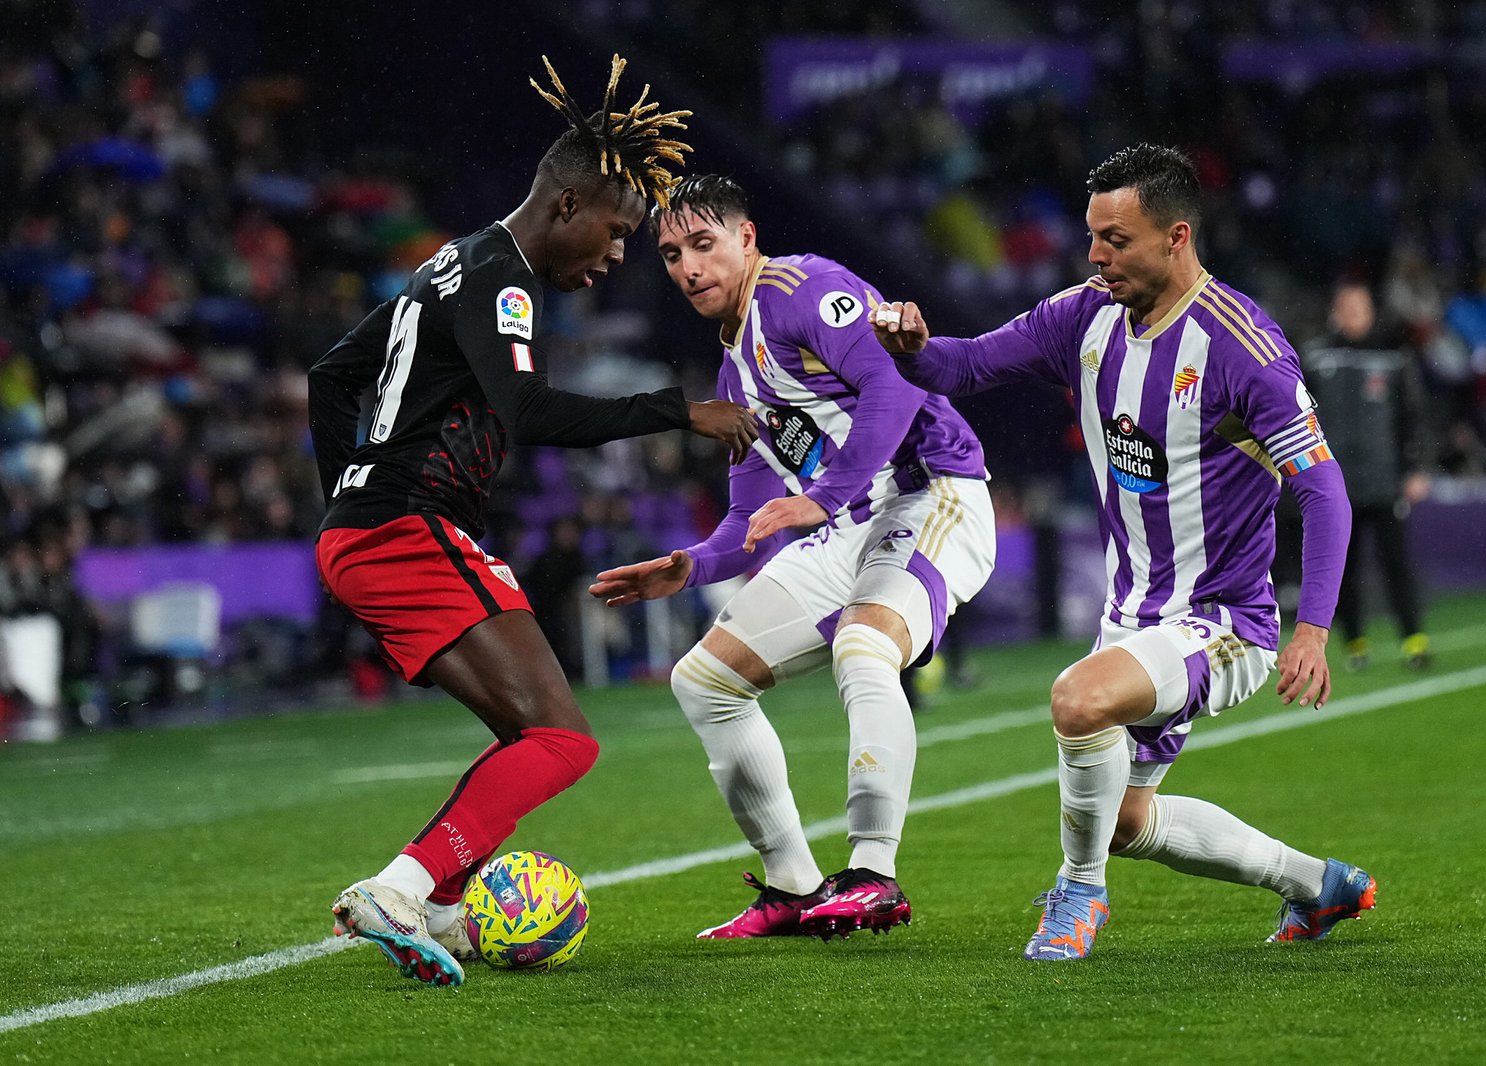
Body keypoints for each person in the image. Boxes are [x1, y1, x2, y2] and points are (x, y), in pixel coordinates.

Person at [308, 57, 758, 987]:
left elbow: (330, 378)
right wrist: (677, 407)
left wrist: (342, 501)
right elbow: (532, 416)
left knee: (530, 740)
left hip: (369, 530)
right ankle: (399, 889)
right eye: (620, 229)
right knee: (564, 740)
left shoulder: (450, 263)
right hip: (405, 525)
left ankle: (435, 906)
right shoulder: (503, 281)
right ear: (567, 208)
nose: (623, 253)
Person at [869, 145, 1375, 961]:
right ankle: (1319, 886)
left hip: (1225, 622)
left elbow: (1323, 490)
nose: (1097, 256)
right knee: (1129, 819)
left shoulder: (1244, 346)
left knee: (1076, 701)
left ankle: (1078, 892)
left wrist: (1312, 628)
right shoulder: (1084, 315)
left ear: (1177, 237)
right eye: (1093, 237)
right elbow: (961, 367)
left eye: (1118, 239)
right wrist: (912, 347)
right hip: (1131, 619)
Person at [588, 175, 995, 939]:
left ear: (746, 238)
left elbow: (895, 387)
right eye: (672, 254)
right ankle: (794, 886)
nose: (688, 268)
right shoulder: (734, 369)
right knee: (704, 681)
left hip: (931, 493)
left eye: (703, 245)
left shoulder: (805, 288)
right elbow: (746, 514)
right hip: (849, 524)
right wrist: (690, 565)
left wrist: (824, 495)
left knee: (864, 645)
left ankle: (873, 871)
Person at [1301, 280, 1432, 671]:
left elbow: (1415, 417)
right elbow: (1299, 417)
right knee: (1341, 569)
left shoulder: (1393, 356)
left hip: (1385, 481)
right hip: (1333, 485)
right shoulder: (1316, 357)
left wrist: (1415, 469)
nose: (1353, 315)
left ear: (1371, 311)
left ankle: (1414, 640)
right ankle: (1355, 644)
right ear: (1335, 312)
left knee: (1397, 564)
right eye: (1346, 308)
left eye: (1359, 307)